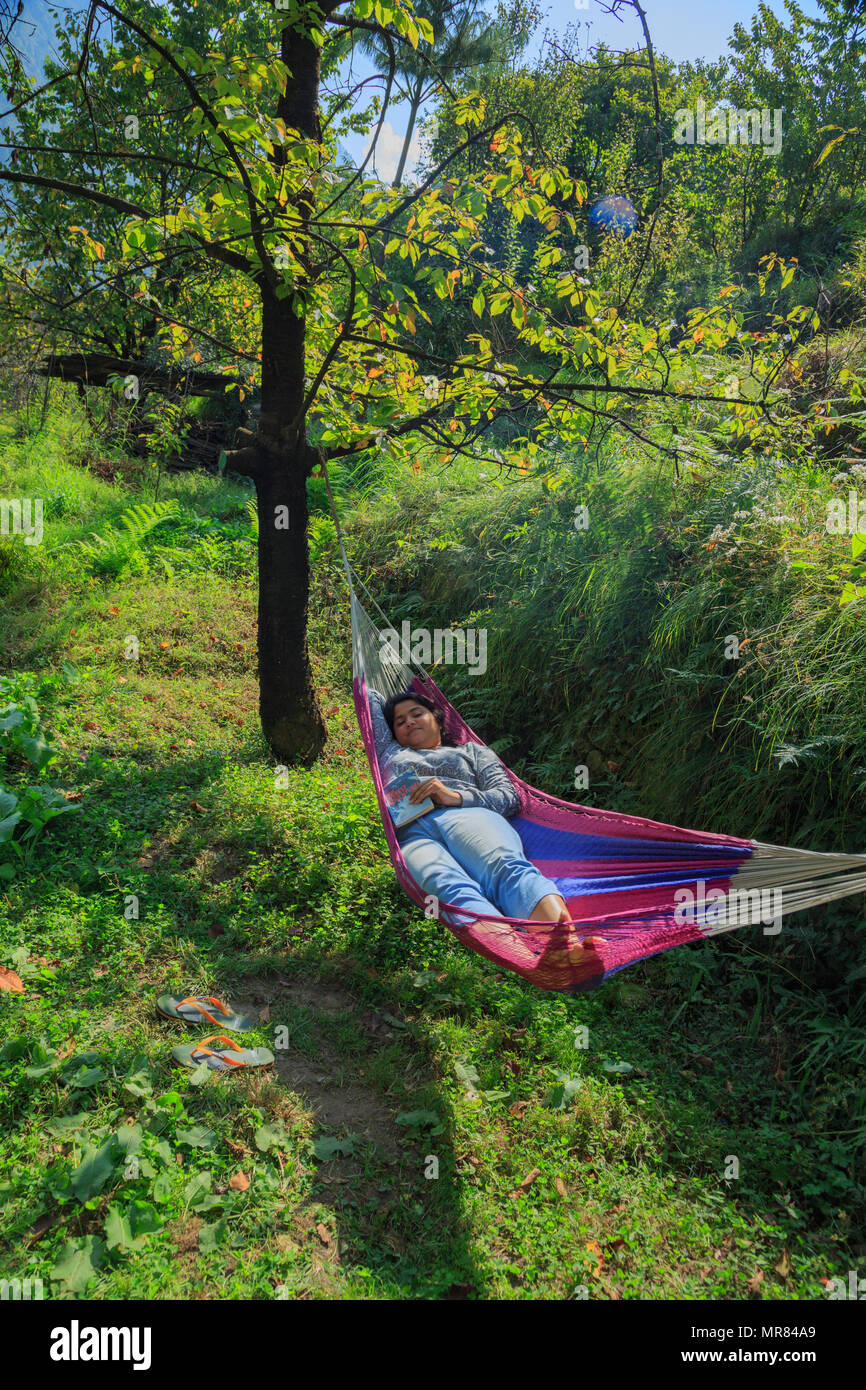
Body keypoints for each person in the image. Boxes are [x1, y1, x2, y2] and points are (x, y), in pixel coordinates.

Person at [369, 687, 606, 945]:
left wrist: (455, 797)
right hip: (410, 832)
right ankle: (526, 959)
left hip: (467, 814)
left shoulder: (473, 752)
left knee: (504, 868)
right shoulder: (389, 752)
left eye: (417, 714)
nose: (409, 722)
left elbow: (509, 797)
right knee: (447, 889)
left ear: (438, 719)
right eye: (400, 721)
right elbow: (369, 696)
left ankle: (567, 946)